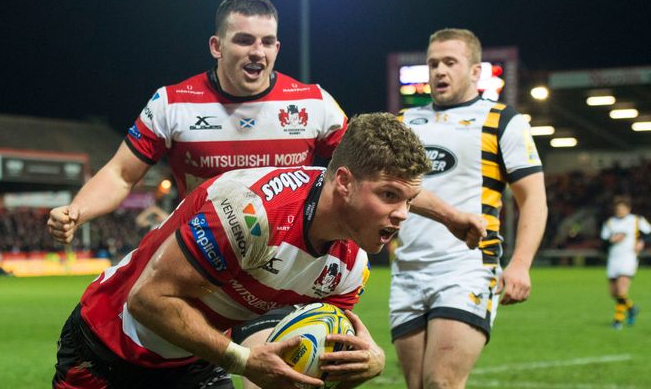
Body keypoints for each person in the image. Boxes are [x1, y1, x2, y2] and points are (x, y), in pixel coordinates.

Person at [52, 113, 431, 389]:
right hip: (107, 347)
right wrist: (245, 361)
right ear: (345, 182)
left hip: (197, 360)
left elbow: (316, 356)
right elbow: (148, 300)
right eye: (389, 195)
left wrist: (368, 362)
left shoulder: (351, 266)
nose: (401, 215)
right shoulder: (252, 213)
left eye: (409, 201)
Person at [389, 28, 548, 388]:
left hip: (467, 268)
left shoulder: (503, 121)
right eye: (432, 64)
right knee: (417, 386)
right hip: (408, 271)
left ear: (476, 71)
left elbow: (533, 197)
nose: (439, 71)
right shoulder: (403, 124)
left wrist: (520, 264)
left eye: (450, 62)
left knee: (441, 382)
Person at [600, 196, 650, 329]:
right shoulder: (610, 222)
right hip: (613, 259)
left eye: (622, 208)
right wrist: (612, 240)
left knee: (622, 289)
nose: (620, 211)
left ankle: (618, 320)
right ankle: (632, 307)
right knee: (613, 292)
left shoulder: (636, 220)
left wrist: (642, 242)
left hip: (629, 257)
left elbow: (648, 233)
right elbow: (603, 242)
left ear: (628, 209)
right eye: (618, 208)